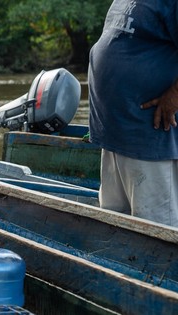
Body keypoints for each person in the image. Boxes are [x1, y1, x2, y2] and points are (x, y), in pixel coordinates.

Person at [88, 0, 178, 227]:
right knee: (113, 223)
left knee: (154, 229)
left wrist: (175, 95)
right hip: (114, 132)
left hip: (148, 136)